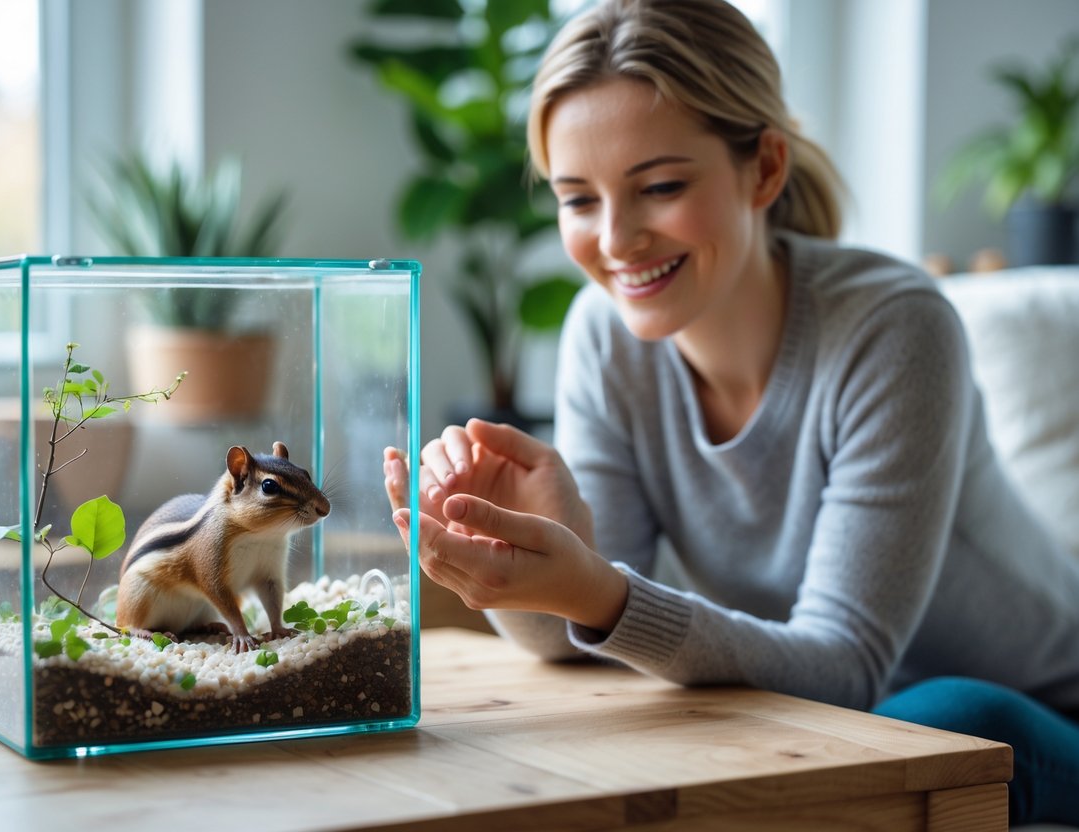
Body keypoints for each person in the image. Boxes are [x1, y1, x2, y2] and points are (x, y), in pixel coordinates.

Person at [382, 0, 1079, 824]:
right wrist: (534, 563)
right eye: (577, 199)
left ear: (765, 168)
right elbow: (586, 647)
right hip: (822, 715)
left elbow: (847, 665)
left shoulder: (894, 327)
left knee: (955, 713)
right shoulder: (603, 338)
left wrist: (600, 593)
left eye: (661, 186)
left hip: (1027, 712)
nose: (616, 240)